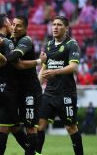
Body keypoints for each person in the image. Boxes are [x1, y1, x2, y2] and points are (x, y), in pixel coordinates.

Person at [0, 14, 46, 155]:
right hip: (15, 90)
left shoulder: (25, 40)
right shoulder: (9, 39)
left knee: (30, 127)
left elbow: (17, 61)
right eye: (13, 24)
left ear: (26, 28)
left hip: (30, 90)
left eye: (18, 25)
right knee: (14, 126)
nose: (15, 27)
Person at [36, 16, 84, 155]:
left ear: (66, 28)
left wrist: (55, 72)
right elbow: (44, 69)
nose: (55, 27)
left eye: (59, 25)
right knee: (40, 125)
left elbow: (74, 67)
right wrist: (37, 88)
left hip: (66, 93)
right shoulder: (49, 45)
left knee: (71, 128)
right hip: (49, 93)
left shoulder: (71, 44)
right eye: (54, 24)